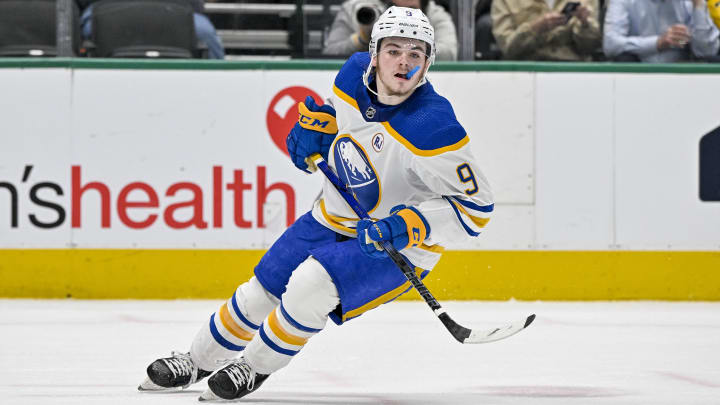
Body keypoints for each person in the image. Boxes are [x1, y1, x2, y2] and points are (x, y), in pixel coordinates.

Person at [138, 6, 493, 401]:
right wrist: (316, 131)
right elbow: (334, 117)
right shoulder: (351, 75)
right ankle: (197, 360)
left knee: (310, 286)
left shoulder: (433, 127)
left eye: (416, 54)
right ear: (374, 54)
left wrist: (404, 225)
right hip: (332, 215)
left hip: (396, 246)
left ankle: (252, 367)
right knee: (261, 290)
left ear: (428, 63)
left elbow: (476, 209)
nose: (404, 62)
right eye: (394, 51)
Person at [77, 0, 225, 59]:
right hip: (107, 6)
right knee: (79, 32)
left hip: (174, 6)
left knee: (205, 33)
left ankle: (220, 89)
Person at [323, 0, 459, 61]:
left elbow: (449, 53)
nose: (403, 15)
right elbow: (330, 52)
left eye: (411, 10)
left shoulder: (434, 14)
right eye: (396, 9)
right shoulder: (358, 9)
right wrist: (362, 38)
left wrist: (411, 44)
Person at [603, 0, 720, 62]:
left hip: (680, 74)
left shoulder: (687, 3)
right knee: (624, 59)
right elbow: (610, 44)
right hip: (637, 72)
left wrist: (698, 5)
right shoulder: (623, 1)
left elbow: (706, 52)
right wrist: (657, 43)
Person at [491, 0, 602, 61]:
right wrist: (534, 29)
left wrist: (585, 24)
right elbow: (508, 48)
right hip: (526, 69)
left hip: (573, 68)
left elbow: (591, 47)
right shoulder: (504, 2)